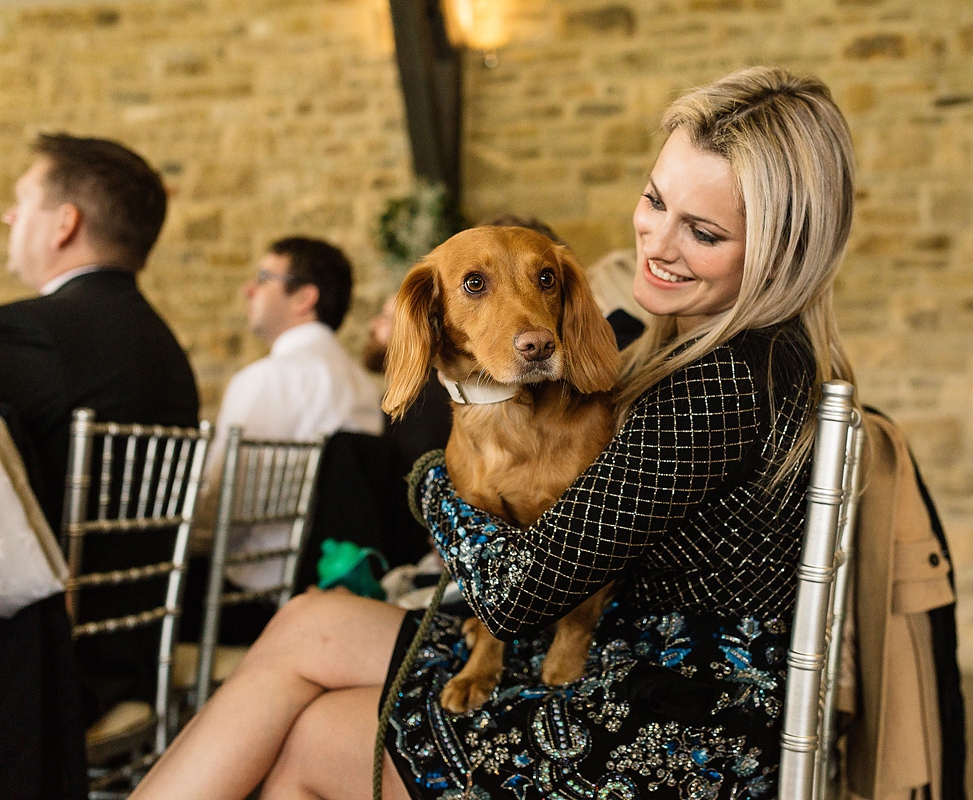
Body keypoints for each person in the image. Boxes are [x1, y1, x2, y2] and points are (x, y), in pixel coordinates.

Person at [131, 66, 858, 800]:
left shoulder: (723, 383)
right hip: (633, 654)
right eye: (654, 200)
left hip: (670, 720)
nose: (657, 243)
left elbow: (514, 597)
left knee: (315, 734)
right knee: (306, 623)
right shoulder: (724, 350)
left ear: (781, 246)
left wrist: (436, 484)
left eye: (701, 232)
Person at [0, 133, 200, 728]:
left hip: (49, 673)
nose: (8, 215)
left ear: (64, 223)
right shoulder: (165, 350)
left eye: (21, 199)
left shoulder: (30, 334)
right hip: (133, 656)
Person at [185, 237, 383, 642]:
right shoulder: (364, 387)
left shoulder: (267, 379)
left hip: (250, 600)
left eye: (263, 278)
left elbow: (217, 520)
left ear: (304, 298)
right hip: (331, 587)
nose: (248, 289)